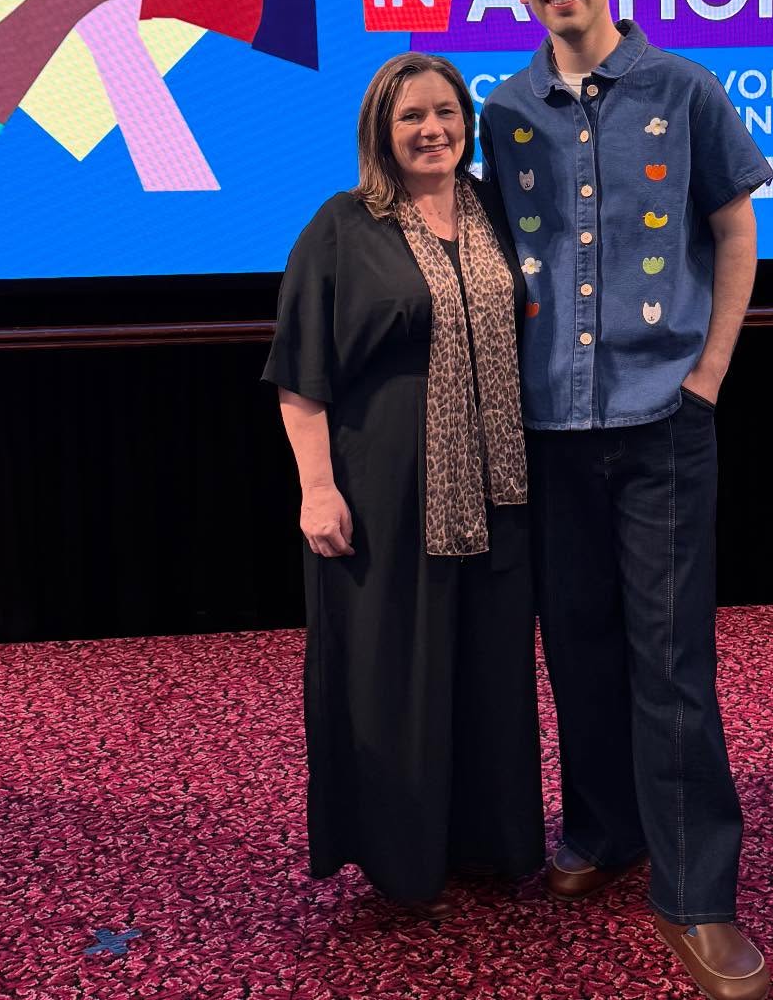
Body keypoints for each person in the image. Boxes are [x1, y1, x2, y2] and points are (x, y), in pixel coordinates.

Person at [479, 0, 773, 1000]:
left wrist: (709, 374)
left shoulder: (684, 89)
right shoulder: (502, 112)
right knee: (580, 644)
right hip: (552, 428)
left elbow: (735, 227)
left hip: (662, 423)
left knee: (672, 661)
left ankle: (699, 892)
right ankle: (604, 828)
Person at [263, 53, 544, 918]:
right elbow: (299, 379)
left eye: (448, 113)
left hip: (499, 490)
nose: (434, 130)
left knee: (489, 668)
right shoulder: (343, 226)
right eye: (412, 116)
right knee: (396, 671)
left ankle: (488, 844)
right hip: (385, 496)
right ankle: (399, 853)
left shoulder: (497, 211)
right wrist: (317, 490)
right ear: (380, 131)